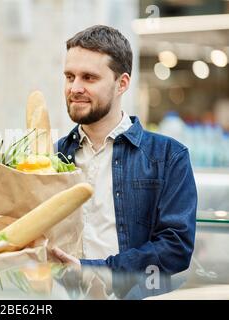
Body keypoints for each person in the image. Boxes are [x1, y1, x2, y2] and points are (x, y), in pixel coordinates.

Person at [52, 25, 197, 298]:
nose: (75, 88)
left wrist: (95, 269)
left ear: (122, 83)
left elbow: (175, 248)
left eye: (89, 78)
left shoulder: (169, 157)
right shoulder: (53, 155)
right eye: (69, 76)